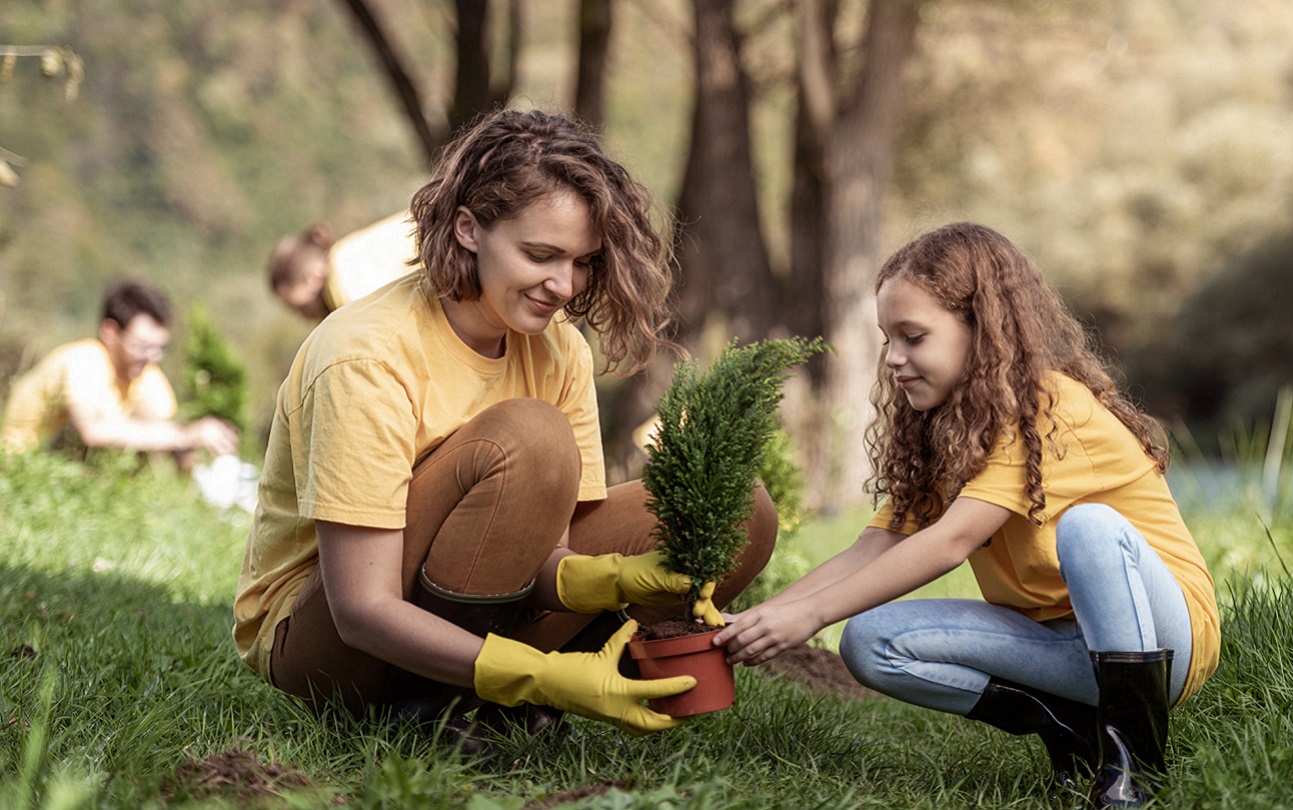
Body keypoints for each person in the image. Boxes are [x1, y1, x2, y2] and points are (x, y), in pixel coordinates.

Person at [233, 108, 778, 741]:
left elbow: (538, 552)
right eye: (540, 254)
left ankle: (516, 696)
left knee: (742, 509)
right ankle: (439, 707)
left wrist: (612, 578)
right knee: (530, 436)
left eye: (582, 262)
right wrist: (541, 676)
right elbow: (361, 608)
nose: (563, 285)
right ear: (468, 229)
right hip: (332, 640)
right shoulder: (366, 355)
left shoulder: (558, 349)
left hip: (476, 610)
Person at [715, 223, 1219, 806]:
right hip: (1058, 644)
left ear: (982, 330)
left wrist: (810, 618)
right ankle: (1071, 727)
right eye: (887, 339)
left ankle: (1134, 768)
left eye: (914, 337)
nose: (895, 359)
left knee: (1091, 528)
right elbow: (872, 548)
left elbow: (951, 541)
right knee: (869, 641)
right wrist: (763, 618)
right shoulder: (951, 426)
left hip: (1160, 647)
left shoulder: (1049, 406)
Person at [1, 281, 239, 463]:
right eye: (143, 347)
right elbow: (92, 432)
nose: (153, 357)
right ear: (110, 332)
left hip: (68, 479)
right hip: (19, 465)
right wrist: (186, 434)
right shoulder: (85, 359)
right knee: (108, 431)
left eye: (160, 348)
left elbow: (165, 431)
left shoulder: (146, 375)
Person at [267, 211, 417, 319]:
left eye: (299, 309)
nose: (303, 318)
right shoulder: (350, 248)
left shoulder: (350, 300)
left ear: (313, 276)